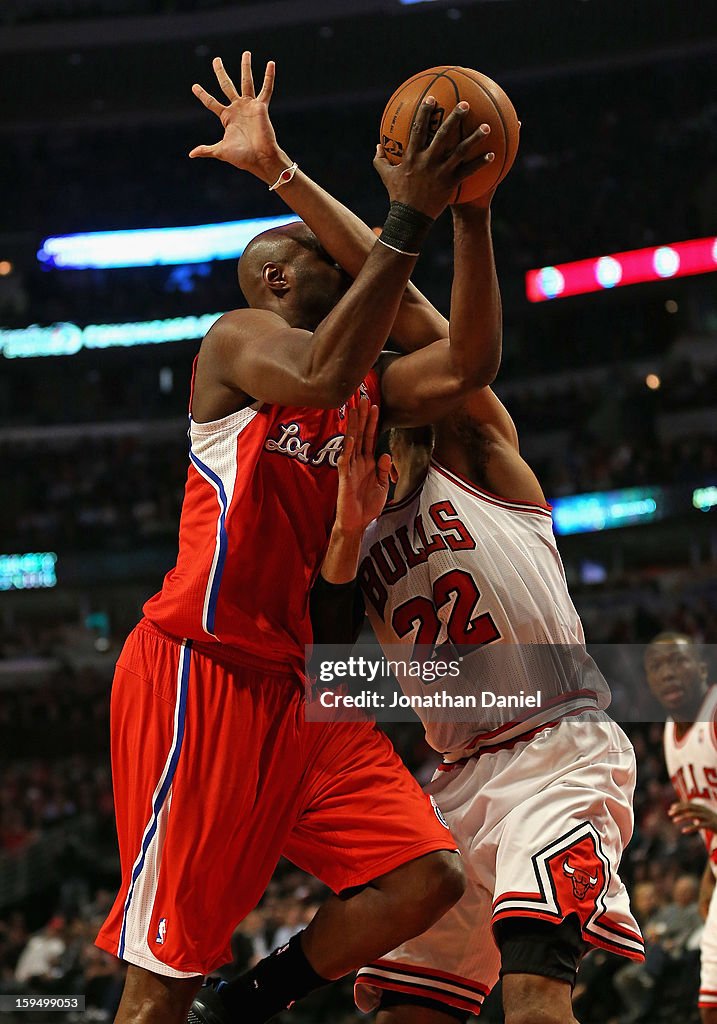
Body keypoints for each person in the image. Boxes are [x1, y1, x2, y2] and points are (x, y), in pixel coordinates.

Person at [95, 53, 502, 1024]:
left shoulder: (372, 394)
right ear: (281, 276)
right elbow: (320, 369)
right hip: (202, 670)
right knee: (159, 981)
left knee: (427, 879)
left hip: (299, 689)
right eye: (326, 253)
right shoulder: (237, 342)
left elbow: (472, 360)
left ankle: (250, 1003)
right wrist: (405, 216)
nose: (349, 255)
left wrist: (469, 215)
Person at [308, 331, 644, 1021]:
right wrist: (344, 535)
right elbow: (325, 658)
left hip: (557, 752)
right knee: (408, 1013)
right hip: (457, 778)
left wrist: (404, 232)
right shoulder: (352, 521)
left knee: (532, 1001)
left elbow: (449, 339)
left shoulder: (477, 456)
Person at [644, 631, 717, 1023]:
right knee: (709, 1006)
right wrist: (709, 871)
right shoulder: (672, 737)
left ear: (702, 668)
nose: (668, 673)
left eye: (677, 661)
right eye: (657, 666)